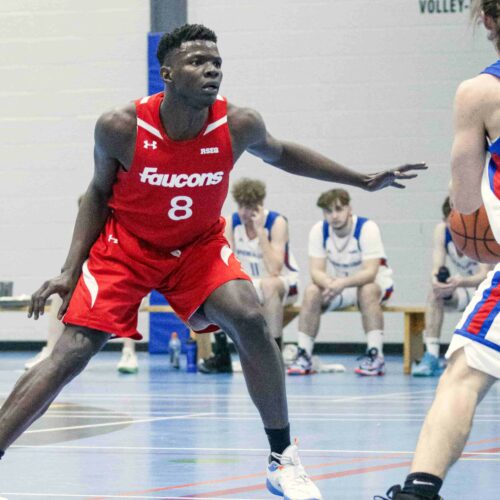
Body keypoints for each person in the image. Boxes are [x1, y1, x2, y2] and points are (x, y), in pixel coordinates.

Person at [0, 24, 425, 499]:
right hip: (126, 248)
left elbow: (282, 153)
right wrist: (69, 269)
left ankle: (282, 459)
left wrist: (361, 180)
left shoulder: (238, 124)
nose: (211, 70)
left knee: (248, 315)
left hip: (197, 248)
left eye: (216, 63)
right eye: (197, 62)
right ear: (167, 73)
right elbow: (96, 193)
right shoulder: (120, 127)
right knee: (72, 352)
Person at [376, 3, 500, 499]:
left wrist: (479, 232)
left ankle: (419, 492)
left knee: (465, 373)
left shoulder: (481, 93)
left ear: (488, 20)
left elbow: (463, 206)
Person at [23, 196, 139, 374]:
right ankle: (50, 349)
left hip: (124, 281)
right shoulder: (85, 235)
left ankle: (128, 352)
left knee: (130, 297)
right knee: (59, 295)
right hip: (96, 282)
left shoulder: (118, 230)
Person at [287, 188, 394, 376]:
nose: (334, 216)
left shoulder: (367, 228)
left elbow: (370, 272)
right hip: (340, 285)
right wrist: (329, 283)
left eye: (338, 209)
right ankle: (304, 355)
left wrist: (340, 284)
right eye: (328, 211)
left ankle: (376, 355)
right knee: (312, 291)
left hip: (377, 284)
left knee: (367, 290)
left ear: (349, 209)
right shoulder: (319, 230)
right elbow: (316, 271)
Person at [199, 178, 300, 374]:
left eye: (250, 207)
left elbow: (275, 269)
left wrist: (261, 232)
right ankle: (222, 355)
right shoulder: (231, 223)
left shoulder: (277, 222)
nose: (244, 213)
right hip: (252, 283)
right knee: (217, 290)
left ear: (260, 205)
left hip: (284, 282)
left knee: (270, 285)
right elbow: (227, 263)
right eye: (241, 207)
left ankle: (274, 353)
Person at [412, 196, 490, 377]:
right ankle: (431, 356)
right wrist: (437, 281)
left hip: (489, 288)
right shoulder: (442, 230)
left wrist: (460, 282)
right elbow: (437, 265)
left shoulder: (479, 229)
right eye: (452, 224)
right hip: (468, 288)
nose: (456, 230)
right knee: (435, 294)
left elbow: (484, 274)